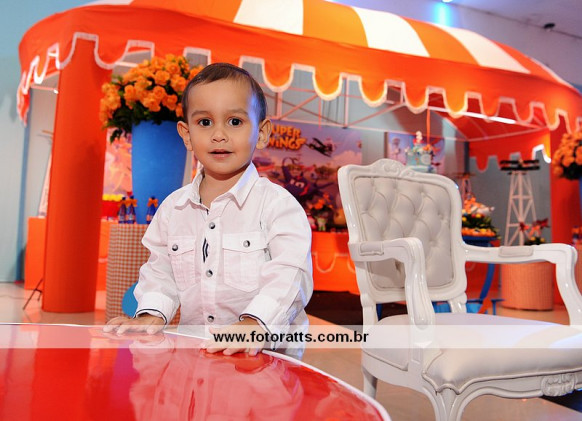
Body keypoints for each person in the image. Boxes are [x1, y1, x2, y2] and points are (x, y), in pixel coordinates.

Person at [104, 63, 313, 358]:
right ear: (187, 134)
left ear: (262, 132)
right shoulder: (173, 209)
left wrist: (255, 324)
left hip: (265, 360)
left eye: (235, 121)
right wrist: (151, 314)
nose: (218, 134)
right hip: (197, 356)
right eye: (205, 122)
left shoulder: (278, 206)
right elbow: (161, 271)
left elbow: (291, 274)